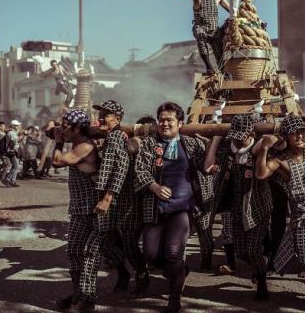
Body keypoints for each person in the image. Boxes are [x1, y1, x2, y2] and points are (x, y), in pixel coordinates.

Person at [135, 102, 212, 313]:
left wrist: (211, 146)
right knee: (150, 254)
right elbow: (140, 170)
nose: (165, 123)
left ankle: (174, 297)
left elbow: (207, 166)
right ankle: (178, 270)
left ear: (180, 122)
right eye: (162, 119)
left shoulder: (191, 144)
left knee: (174, 252)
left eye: (170, 120)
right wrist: (154, 186)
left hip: (182, 208)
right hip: (155, 207)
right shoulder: (150, 143)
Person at [255, 114, 305, 313]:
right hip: (300, 216)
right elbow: (261, 174)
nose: (299, 136)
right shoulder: (281, 160)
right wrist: (264, 148)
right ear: (286, 137)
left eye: (301, 131)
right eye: (293, 133)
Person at [52, 109, 125, 312]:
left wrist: (58, 141)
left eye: (65, 126)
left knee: (89, 253)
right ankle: (78, 293)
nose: (62, 129)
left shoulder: (84, 146)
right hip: (79, 209)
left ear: (77, 128)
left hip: (97, 208)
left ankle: (88, 299)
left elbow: (57, 161)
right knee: (74, 251)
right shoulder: (77, 142)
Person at [204, 114, 271, 300]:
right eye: (234, 134)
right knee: (241, 251)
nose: (237, 138)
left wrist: (269, 141)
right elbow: (208, 168)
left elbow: (278, 142)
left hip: (258, 205)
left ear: (251, 132)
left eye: (241, 134)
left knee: (253, 248)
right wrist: (216, 139)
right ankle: (260, 265)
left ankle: (262, 283)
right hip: (236, 207)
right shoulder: (228, 146)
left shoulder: (258, 146)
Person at [113, 115, 155, 298]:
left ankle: (175, 276)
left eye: (148, 130)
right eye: (142, 130)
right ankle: (139, 276)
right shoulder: (125, 143)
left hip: (156, 201)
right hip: (129, 202)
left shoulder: (160, 145)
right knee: (128, 244)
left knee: (160, 250)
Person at [190, 0, 230, 74]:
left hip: (214, 29)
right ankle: (208, 66)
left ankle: (223, 72)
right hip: (201, 27)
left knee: (220, 54)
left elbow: (231, 10)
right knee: (200, 34)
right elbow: (197, 5)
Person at [1, 120, 22, 187]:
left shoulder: (12, 132)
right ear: (13, 126)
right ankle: (8, 179)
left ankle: (12, 180)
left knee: (15, 166)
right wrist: (22, 137)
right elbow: (14, 141)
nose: (19, 126)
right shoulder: (11, 133)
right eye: (17, 125)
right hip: (11, 151)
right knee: (16, 166)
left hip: (11, 151)